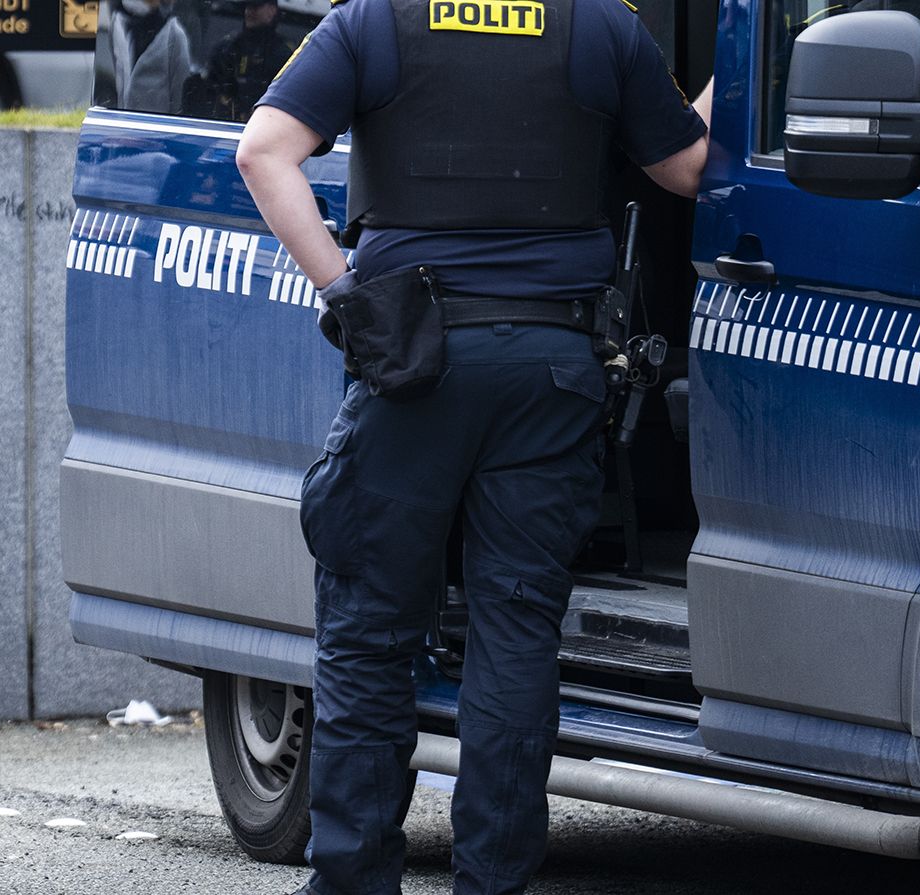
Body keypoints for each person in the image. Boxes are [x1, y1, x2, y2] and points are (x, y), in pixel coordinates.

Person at [234, 0, 712, 892]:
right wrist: (738, 77)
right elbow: (687, 167)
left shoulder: (372, 22)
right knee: (515, 635)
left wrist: (349, 295)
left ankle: (354, 881)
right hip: (552, 371)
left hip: (415, 366)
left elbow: (263, 152)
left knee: (370, 635)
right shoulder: (600, 27)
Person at [205, 0, 294, 121]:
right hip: (225, 125)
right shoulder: (227, 48)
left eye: (255, 7)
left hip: (268, 126)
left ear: (272, 10)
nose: (248, 12)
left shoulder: (286, 54)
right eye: (246, 7)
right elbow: (210, 92)